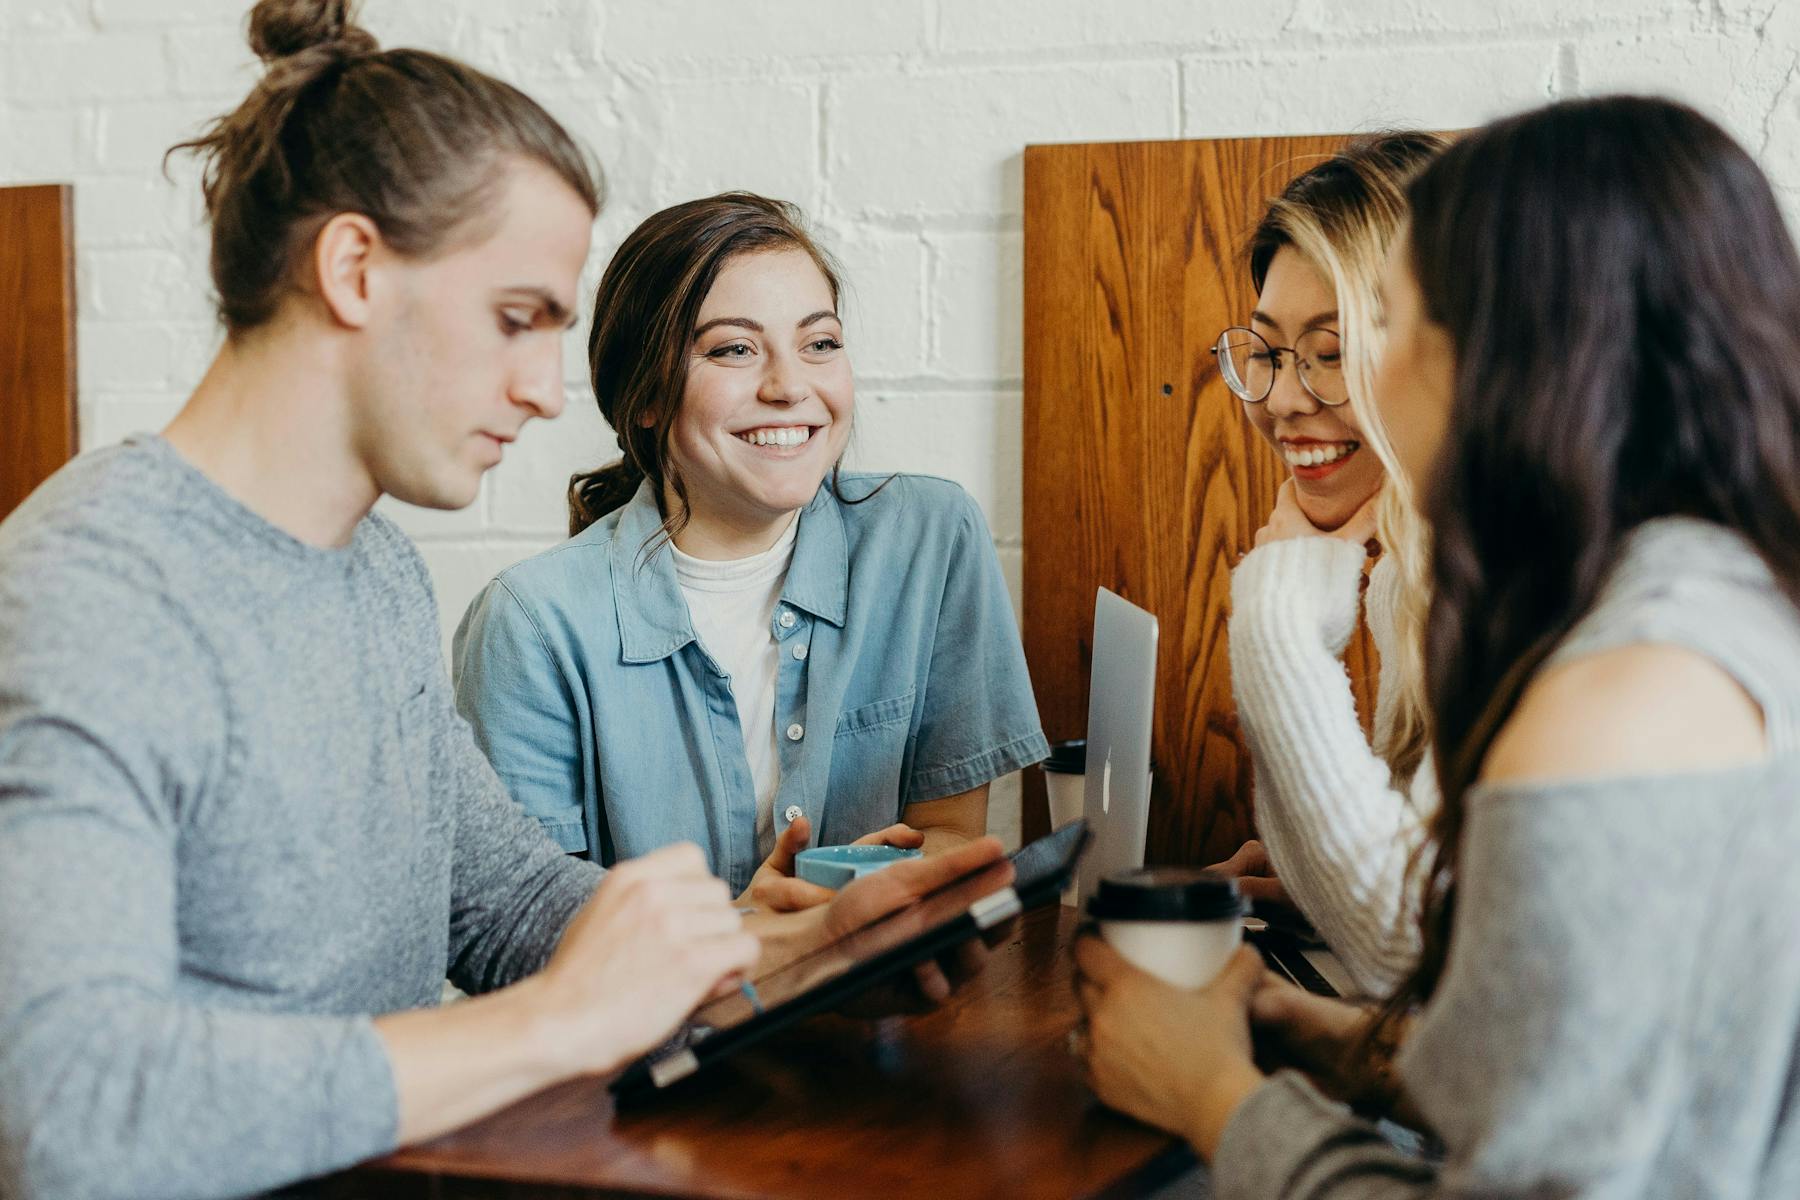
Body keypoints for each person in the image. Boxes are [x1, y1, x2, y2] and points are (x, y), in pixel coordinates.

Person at [0, 5, 1007, 1197]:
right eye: (516, 318)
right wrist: (558, 1026)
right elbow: (67, 1112)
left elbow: (508, 901)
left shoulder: (370, 571)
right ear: (354, 269)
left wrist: (780, 955)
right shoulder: (89, 594)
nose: (543, 391)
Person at [1075, 94, 1800, 1196]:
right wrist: (1337, 1045)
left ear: (1515, 352)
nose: (1326, 389)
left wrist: (1213, 1097)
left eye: (1392, 323)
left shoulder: (1617, 695)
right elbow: (1604, 1086)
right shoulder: (1716, 600)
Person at [452, 192, 1049, 909]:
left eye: (819, 343)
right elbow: (532, 933)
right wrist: (757, 935)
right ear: (644, 396)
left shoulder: (930, 539)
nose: (790, 386)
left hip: (881, 1006)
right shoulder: (530, 624)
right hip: (663, 1021)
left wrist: (856, 900)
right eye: (734, 349)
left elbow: (951, 834)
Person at [1207, 132, 1444, 996]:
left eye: (1333, 353)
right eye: (1266, 353)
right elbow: (1430, 916)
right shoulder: (1409, 572)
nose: (1282, 399)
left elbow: (1406, 951)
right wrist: (1315, 882)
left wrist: (1275, 617)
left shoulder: (1513, 580)